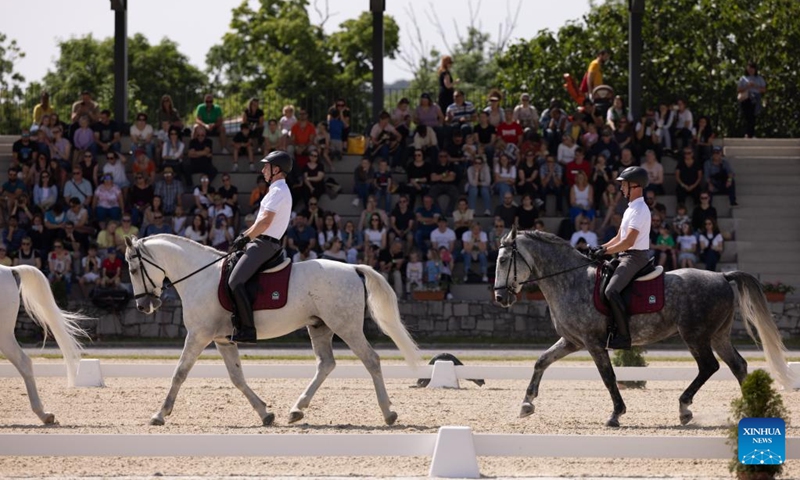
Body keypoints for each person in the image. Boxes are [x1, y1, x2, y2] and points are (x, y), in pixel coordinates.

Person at [227, 150, 293, 343]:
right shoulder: (275, 190)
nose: (263, 169)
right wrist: (245, 237)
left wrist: (245, 237)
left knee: (235, 281)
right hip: (261, 241)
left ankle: (247, 328)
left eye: (267, 166)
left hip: (264, 243)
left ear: (277, 169)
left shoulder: (278, 191)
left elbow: (264, 223)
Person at [589, 166, 651, 350]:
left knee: (611, 291)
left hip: (635, 257)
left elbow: (628, 242)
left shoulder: (640, 210)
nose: (621, 188)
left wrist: (606, 252)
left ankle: (624, 337)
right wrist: (602, 247)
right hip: (625, 255)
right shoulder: (630, 209)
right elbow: (618, 238)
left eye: (624, 184)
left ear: (635, 185)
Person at [737, 61, 766, 139]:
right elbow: (739, 90)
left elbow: (763, 89)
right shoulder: (743, 78)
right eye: (749, 68)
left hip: (755, 97)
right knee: (746, 115)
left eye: (752, 68)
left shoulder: (759, 78)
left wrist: (755, 85)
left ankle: (751, 133)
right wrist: (747, 86)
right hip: (746, 97)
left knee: (753, 116)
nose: (751, 70)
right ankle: (746, 133)